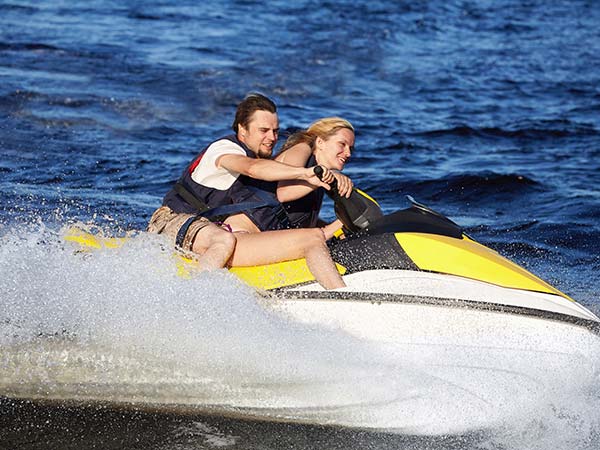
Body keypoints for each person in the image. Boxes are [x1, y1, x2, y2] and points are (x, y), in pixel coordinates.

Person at [148, 93, 345, 289]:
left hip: (209, 230)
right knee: (224, 240)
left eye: (275, 131)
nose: (272, 138)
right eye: (264, 130)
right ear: (242, 129)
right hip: (171, 221)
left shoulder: (259, 159)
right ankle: (195, 296)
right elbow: (251, 167)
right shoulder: (225, 148)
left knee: (308, 238)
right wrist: (304, 174)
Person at [275, 117, 355, 239]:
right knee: (350, 219)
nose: (348, 153)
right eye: (342, 144)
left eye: (351, 148)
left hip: (289, 235)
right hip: (264, 236)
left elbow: (301, 218)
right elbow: (282, 194)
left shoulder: (320, 171)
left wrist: (336, 231)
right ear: (320, 142)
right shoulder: (302, 148)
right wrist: (343, 223)